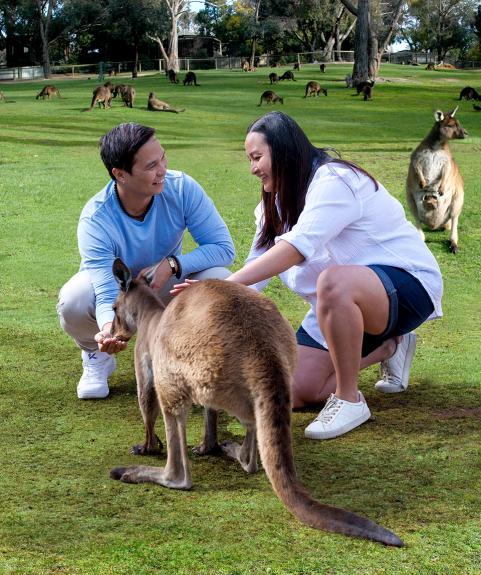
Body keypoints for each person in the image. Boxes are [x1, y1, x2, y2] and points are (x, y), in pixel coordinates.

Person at [173, 111, 443, 440]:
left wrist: (221, 285)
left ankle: (349, 399)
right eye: (250, 159)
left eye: (257, 157)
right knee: (295, 390)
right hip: (340, 308)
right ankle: (390, 346)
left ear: (284, 151)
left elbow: (297, 248)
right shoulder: (271, 206)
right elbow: (255, 273)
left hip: (407, 287)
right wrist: (211, 304)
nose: (253, 168)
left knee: (332, 281)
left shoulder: (334, 180)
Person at [57, 122, 235, 400]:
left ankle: (194, 360)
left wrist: (173, 264)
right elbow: (105, 291)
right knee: (74, 299)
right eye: (151, 165)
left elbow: (223, 248)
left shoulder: (182, 188)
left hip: (166, 285)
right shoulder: (96, 219)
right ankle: (96, 355)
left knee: (221, 280)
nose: (162, 169)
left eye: (162, 157)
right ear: (120, 174)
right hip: (122, 296)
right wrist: (108, 331)